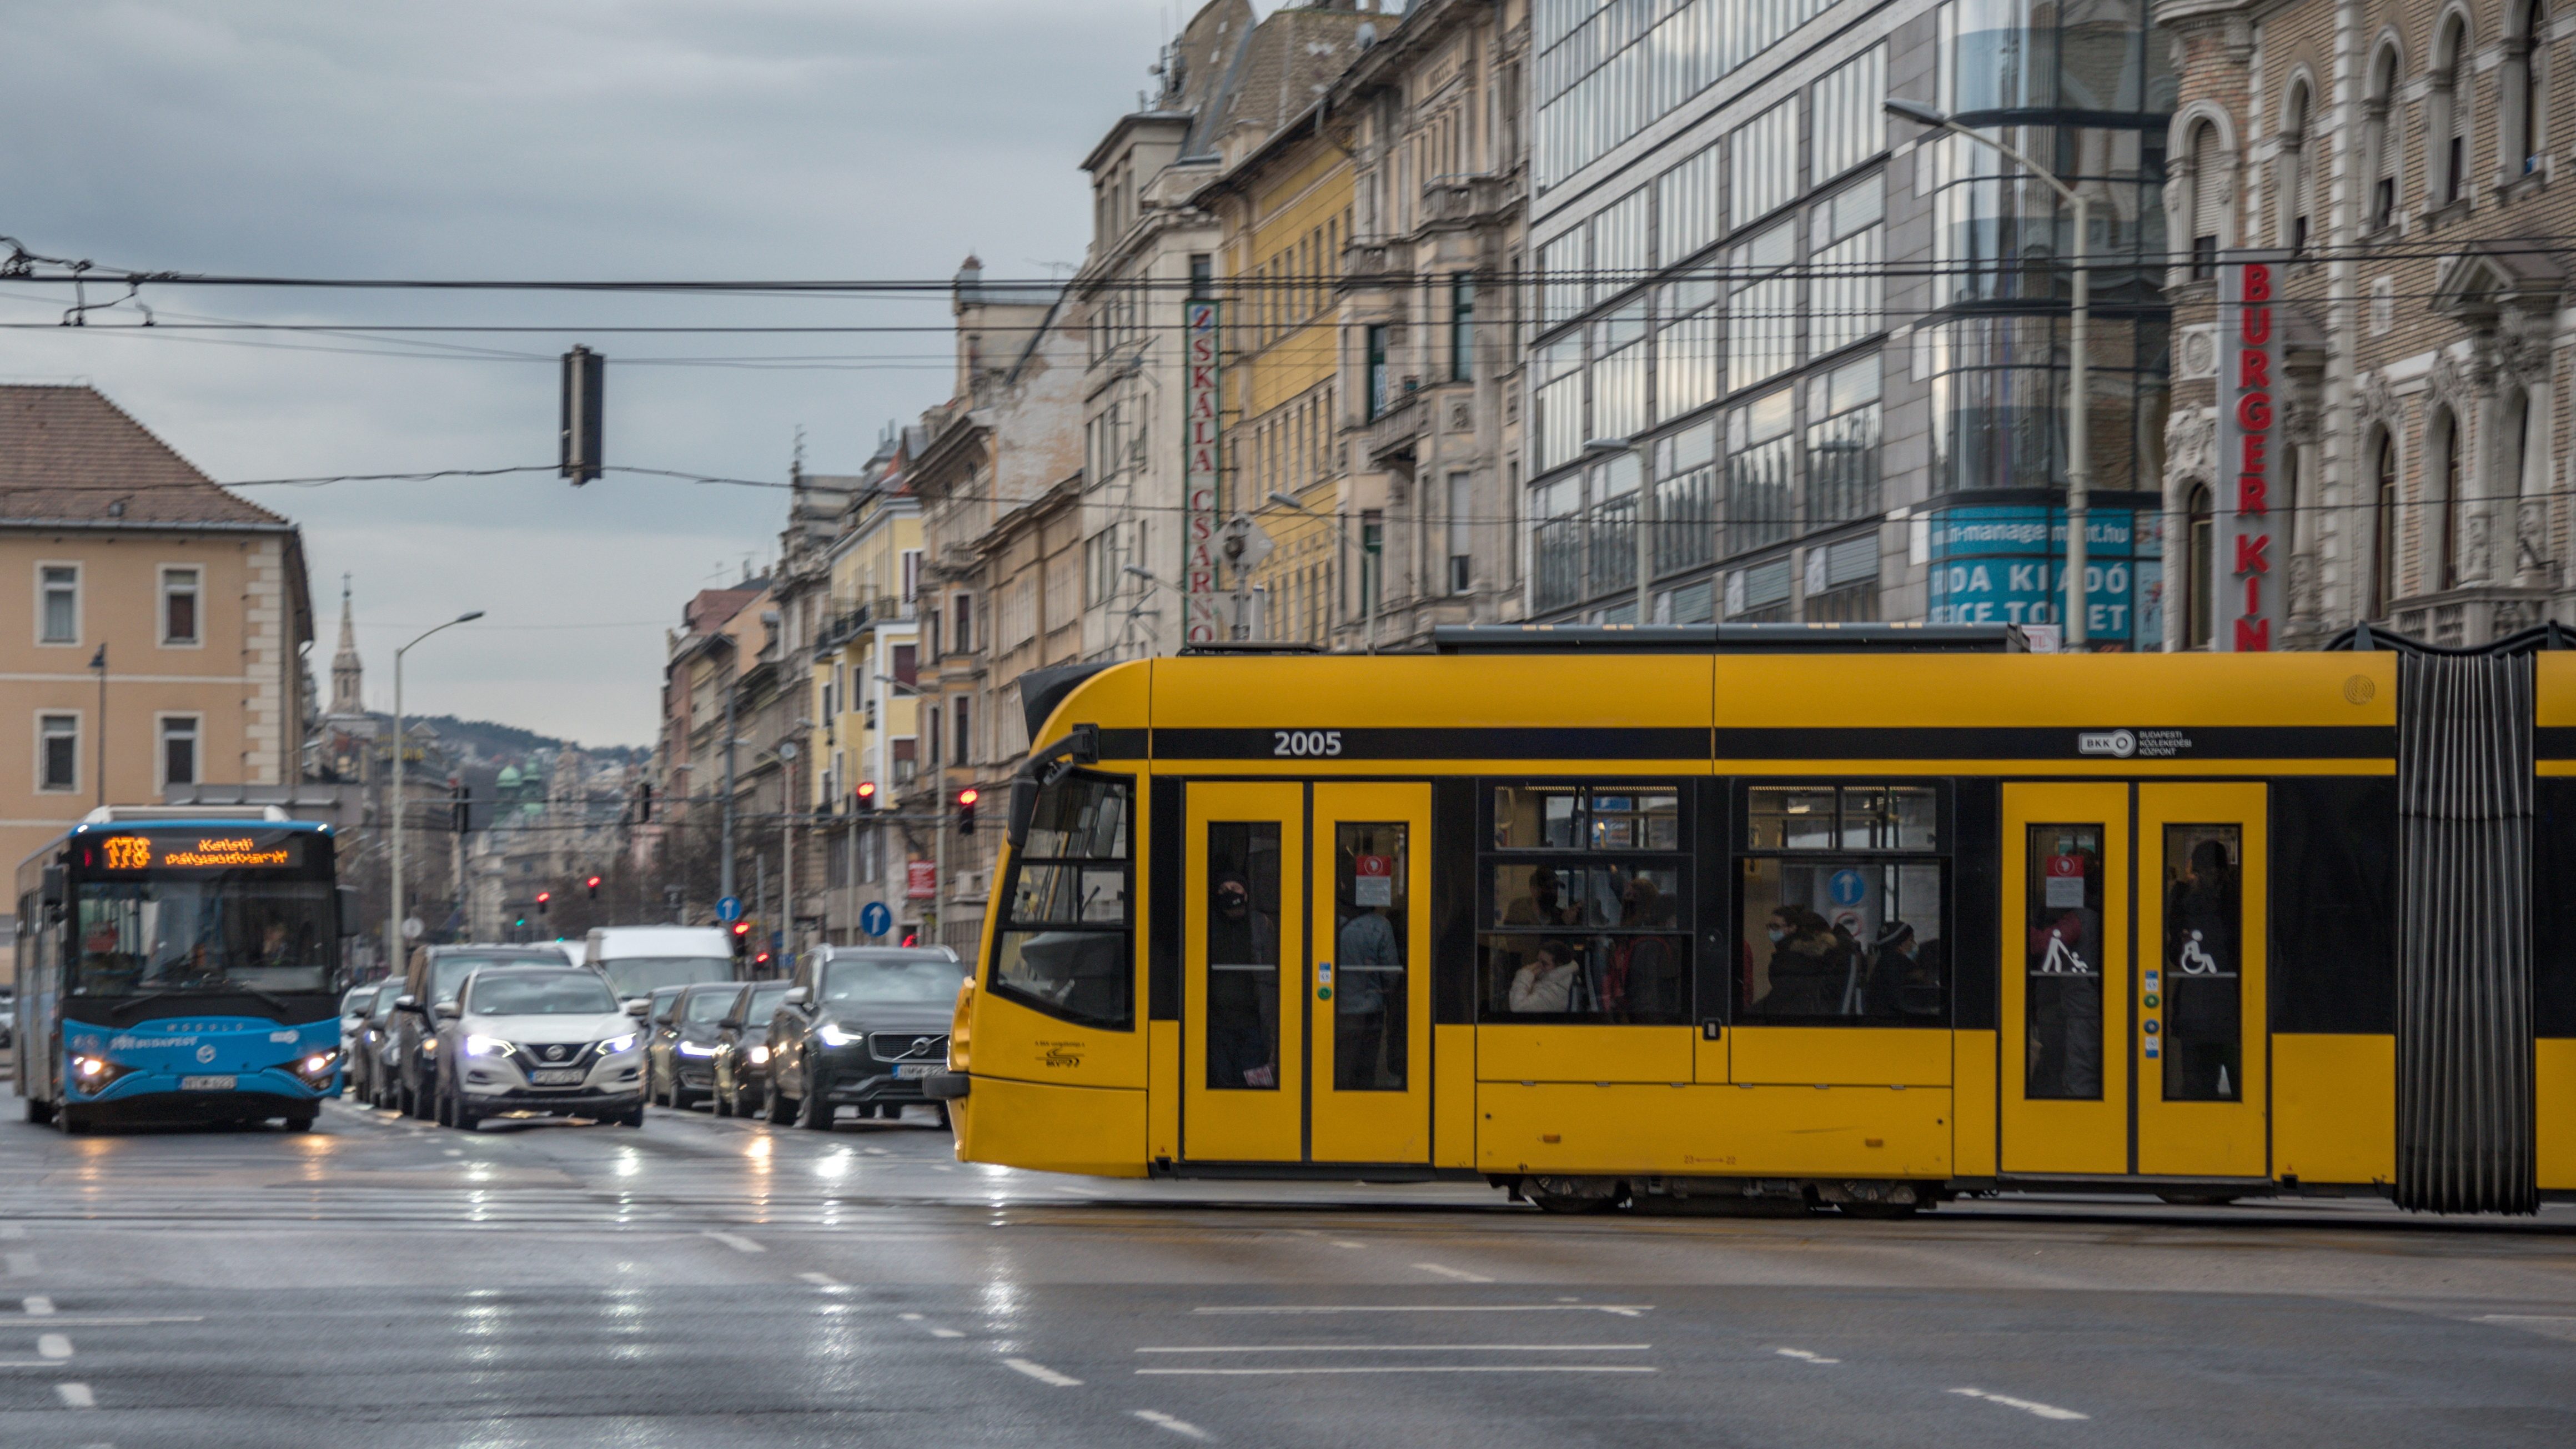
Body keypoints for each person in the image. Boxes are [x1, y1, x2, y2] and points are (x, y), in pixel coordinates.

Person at [1205, 873, 1278, 1088]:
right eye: (1223, 889)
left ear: (1246, 894)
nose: (1229, 893)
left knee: (1252, 1085)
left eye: (1235, 888)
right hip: (1218, 1024)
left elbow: (1272, 976)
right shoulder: (1209, 924)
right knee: (1222, 1082)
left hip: (1254, 1025)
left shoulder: (1260, 925)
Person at [1335, 899, 1400, 1089]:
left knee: (1341, 1065)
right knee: (1366, 1066)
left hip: (1336, 1008)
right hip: (1369, 1009)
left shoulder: (1327, 920)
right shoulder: (1380, 925)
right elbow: (1390, 973)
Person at [1606, 876, 1684, 1020]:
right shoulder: (1631, 937)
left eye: (1635, 896)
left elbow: (1648, 997)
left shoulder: (1648, 943)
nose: (1629, 901)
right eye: (1627, 896)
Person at [1754, 907, 1843, 1016]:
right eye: (1770, 927)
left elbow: (1782, 995)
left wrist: (1753, 1013)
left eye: (1776, 927)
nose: (1771, 931)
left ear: (1792, 928)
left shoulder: (1791, 958)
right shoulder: (1805, 953)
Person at [1508, 940, 1583, 1014]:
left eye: (1544, 964)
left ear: (1559, 966)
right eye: (1538, 961)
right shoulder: (1553, 980)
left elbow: (1518, 1007)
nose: (1538, 966)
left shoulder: (1557, 992)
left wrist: (1524, 976)